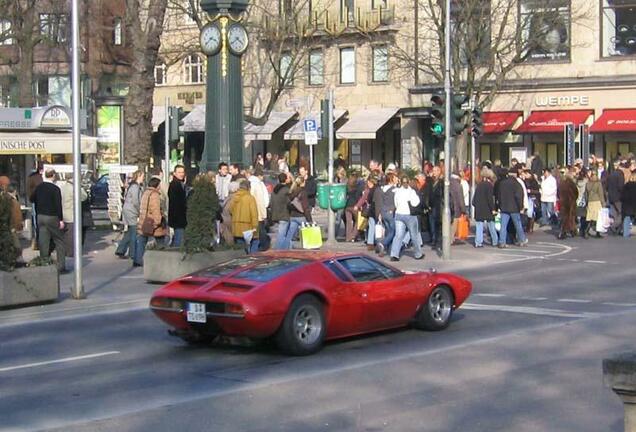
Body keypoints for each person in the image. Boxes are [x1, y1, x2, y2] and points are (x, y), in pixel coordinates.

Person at [31, 169, 67, 273]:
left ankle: (44, 264)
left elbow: (32, 199)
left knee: (43, 240)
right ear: (53, 176)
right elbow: (58, 205)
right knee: (59, 240)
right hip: (52, 217)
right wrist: (60, 219)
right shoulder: (55, 189)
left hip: (40, 216)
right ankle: (61, 267)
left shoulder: (39, 188)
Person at [134, 177, 167, 267]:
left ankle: (138, 259)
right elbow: (155, 209)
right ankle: (161, 260)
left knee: (142, 240)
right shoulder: (155, 195)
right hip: (152, 222)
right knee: (160, 241)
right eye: (160, 185)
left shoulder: (146, 193)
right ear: (157, 185)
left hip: (144, 221)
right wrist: (158, 221)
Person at [390, 177, 424, 261]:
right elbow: (415, 203)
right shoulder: (411, 192)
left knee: (398, 235)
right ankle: (418, 254)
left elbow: (396, 203)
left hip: (399, 214)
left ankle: (394, 255)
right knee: (414, 235)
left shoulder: (397, 191)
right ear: (408, 182)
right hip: (409, 215)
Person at [58, 174, 88, 257]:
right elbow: (84, 197)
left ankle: (63, 251)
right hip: (72, 214)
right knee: (71, 235)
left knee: (64, 235)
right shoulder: (75, 188)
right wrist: (81, 187)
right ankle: (70, 252)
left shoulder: (62, 187)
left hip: (63, 214)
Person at [116, 170, 144, 259]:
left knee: (130, 231)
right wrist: (140, 211)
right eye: (143, 176)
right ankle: (133, 253)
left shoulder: (133, 186)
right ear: (139, 176)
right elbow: (136, 201)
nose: (143, 178)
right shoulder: (135, 187)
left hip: (128, 210)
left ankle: (120, 250)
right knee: (134, 232)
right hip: (132, 211)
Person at [497, 167, 527, 248]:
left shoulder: (502, 183)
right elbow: (519, 196)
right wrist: (521, 207)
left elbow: (499, 196)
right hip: (514, 208)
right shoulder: (516, 184)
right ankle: (522, 240)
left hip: (504, 207)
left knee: (503, 226)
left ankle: (502, 242)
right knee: (518, 225)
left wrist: (500, 205)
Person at [281, 176, 312, 249]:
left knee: (289, 235)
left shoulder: (292, 191)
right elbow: (305, 207)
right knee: (308, 233)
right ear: (303, 183)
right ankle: (309, 249)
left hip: (293, 216)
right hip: (301, 216)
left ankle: (285, 250)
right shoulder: (303, 192)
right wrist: (310, 220)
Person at [230, 179, 259, 253]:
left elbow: (230, 210)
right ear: (248, 188)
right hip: (248, 227)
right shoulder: (250, 198)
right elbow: (254, 214)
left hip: (236, 227)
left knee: (241, 248)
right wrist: (255, 227)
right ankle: (252, 259)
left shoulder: (234, 197)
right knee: (255, 242)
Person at [473, 167, 498, 248]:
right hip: (487, 209)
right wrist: (493, 209)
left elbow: (474, 199)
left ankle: (478, 242)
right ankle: (495, 241)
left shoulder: (479, 185)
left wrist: (476, 205)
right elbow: (490, 199)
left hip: (479, 208)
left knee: (479, 226)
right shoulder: (489, 186)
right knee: (491, 225)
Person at [248, 166, 270, 251]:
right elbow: (261, 200)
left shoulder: (249, 182)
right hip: (258, 211)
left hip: (250, 211)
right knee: (260, 231)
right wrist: (263, 214)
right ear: (260, 175)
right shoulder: (258, 184)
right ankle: (263, 247)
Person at [376, 173, 398, 257]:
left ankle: (389, 249)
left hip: (383, 211)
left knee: (389, 231)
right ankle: (383, 243)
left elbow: (381, 202)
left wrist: (380, 214)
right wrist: (392, 209)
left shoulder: (383, 189)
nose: (397, 179)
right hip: (390, 212)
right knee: (393, 231)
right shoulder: (394, 189)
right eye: (395, 178)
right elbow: (396, 201)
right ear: (391, 179)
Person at [168, 165, 187, 247]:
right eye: (179, 172)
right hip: (178, 217)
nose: (181, 174)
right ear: (174, 173)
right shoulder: (175, 185)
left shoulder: (180, 184)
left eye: (182, 172)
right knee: (179, 240)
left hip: (179, 217)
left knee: (179, 237)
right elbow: (176, 203)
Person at [271, 173, 291, 249]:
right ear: (285, 180)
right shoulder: (286, 190)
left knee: (283, 233)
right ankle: (279, 250)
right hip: (284, 214)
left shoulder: (274, 190)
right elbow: (289, 202)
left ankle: (287, 248)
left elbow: (271, 203)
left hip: (276, 214)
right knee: (282, 234)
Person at [26, 162, 44, 250]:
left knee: (39, 222)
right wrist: (32, 198)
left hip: (41, 201)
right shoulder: (33, 177)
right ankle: (38, 241)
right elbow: (29, 189)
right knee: (37, 223)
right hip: (36, 201)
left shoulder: (35, 177)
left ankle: (41, 241)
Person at [557, 170, 579, 240]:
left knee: (565, 217)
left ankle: (572, 230)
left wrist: (560, 199)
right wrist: (574, 199)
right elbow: (576, 193)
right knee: (570, 217)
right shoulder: (572, 184)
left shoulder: (561, 184)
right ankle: (566, 231)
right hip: (571, 202)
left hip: (563, 202)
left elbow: (558, 193)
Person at [585, 170, 606, 238]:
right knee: (598, 218)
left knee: (590, 217)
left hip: (590, 202)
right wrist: (603, 204)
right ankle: (597, 233)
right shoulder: (598, 183)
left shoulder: (588, 183)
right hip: (597, 201)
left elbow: (586, 194)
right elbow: (601, 194)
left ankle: (586, 231)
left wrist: (587, 202)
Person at [344, 173, 362, 242]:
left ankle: (348, 237)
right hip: (355, 206)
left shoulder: (347, 186)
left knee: (349, 222)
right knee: (358, 221)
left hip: (347, 206)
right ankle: (353, 235)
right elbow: (358, 197)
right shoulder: (357, 187)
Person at [621, 171, 636, 238]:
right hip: (634, 205)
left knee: (627, 218)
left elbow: (622, 196)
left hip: (627, 205)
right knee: (631, 218)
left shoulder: (625, 186)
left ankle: (626, 233)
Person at [575, 168, 589, 238]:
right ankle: (582, 230)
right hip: (583, 200)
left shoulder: (577, 181)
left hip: (577, 199)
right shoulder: (586, 181)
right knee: (584, 216)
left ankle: (577, 228)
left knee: (577, 215)